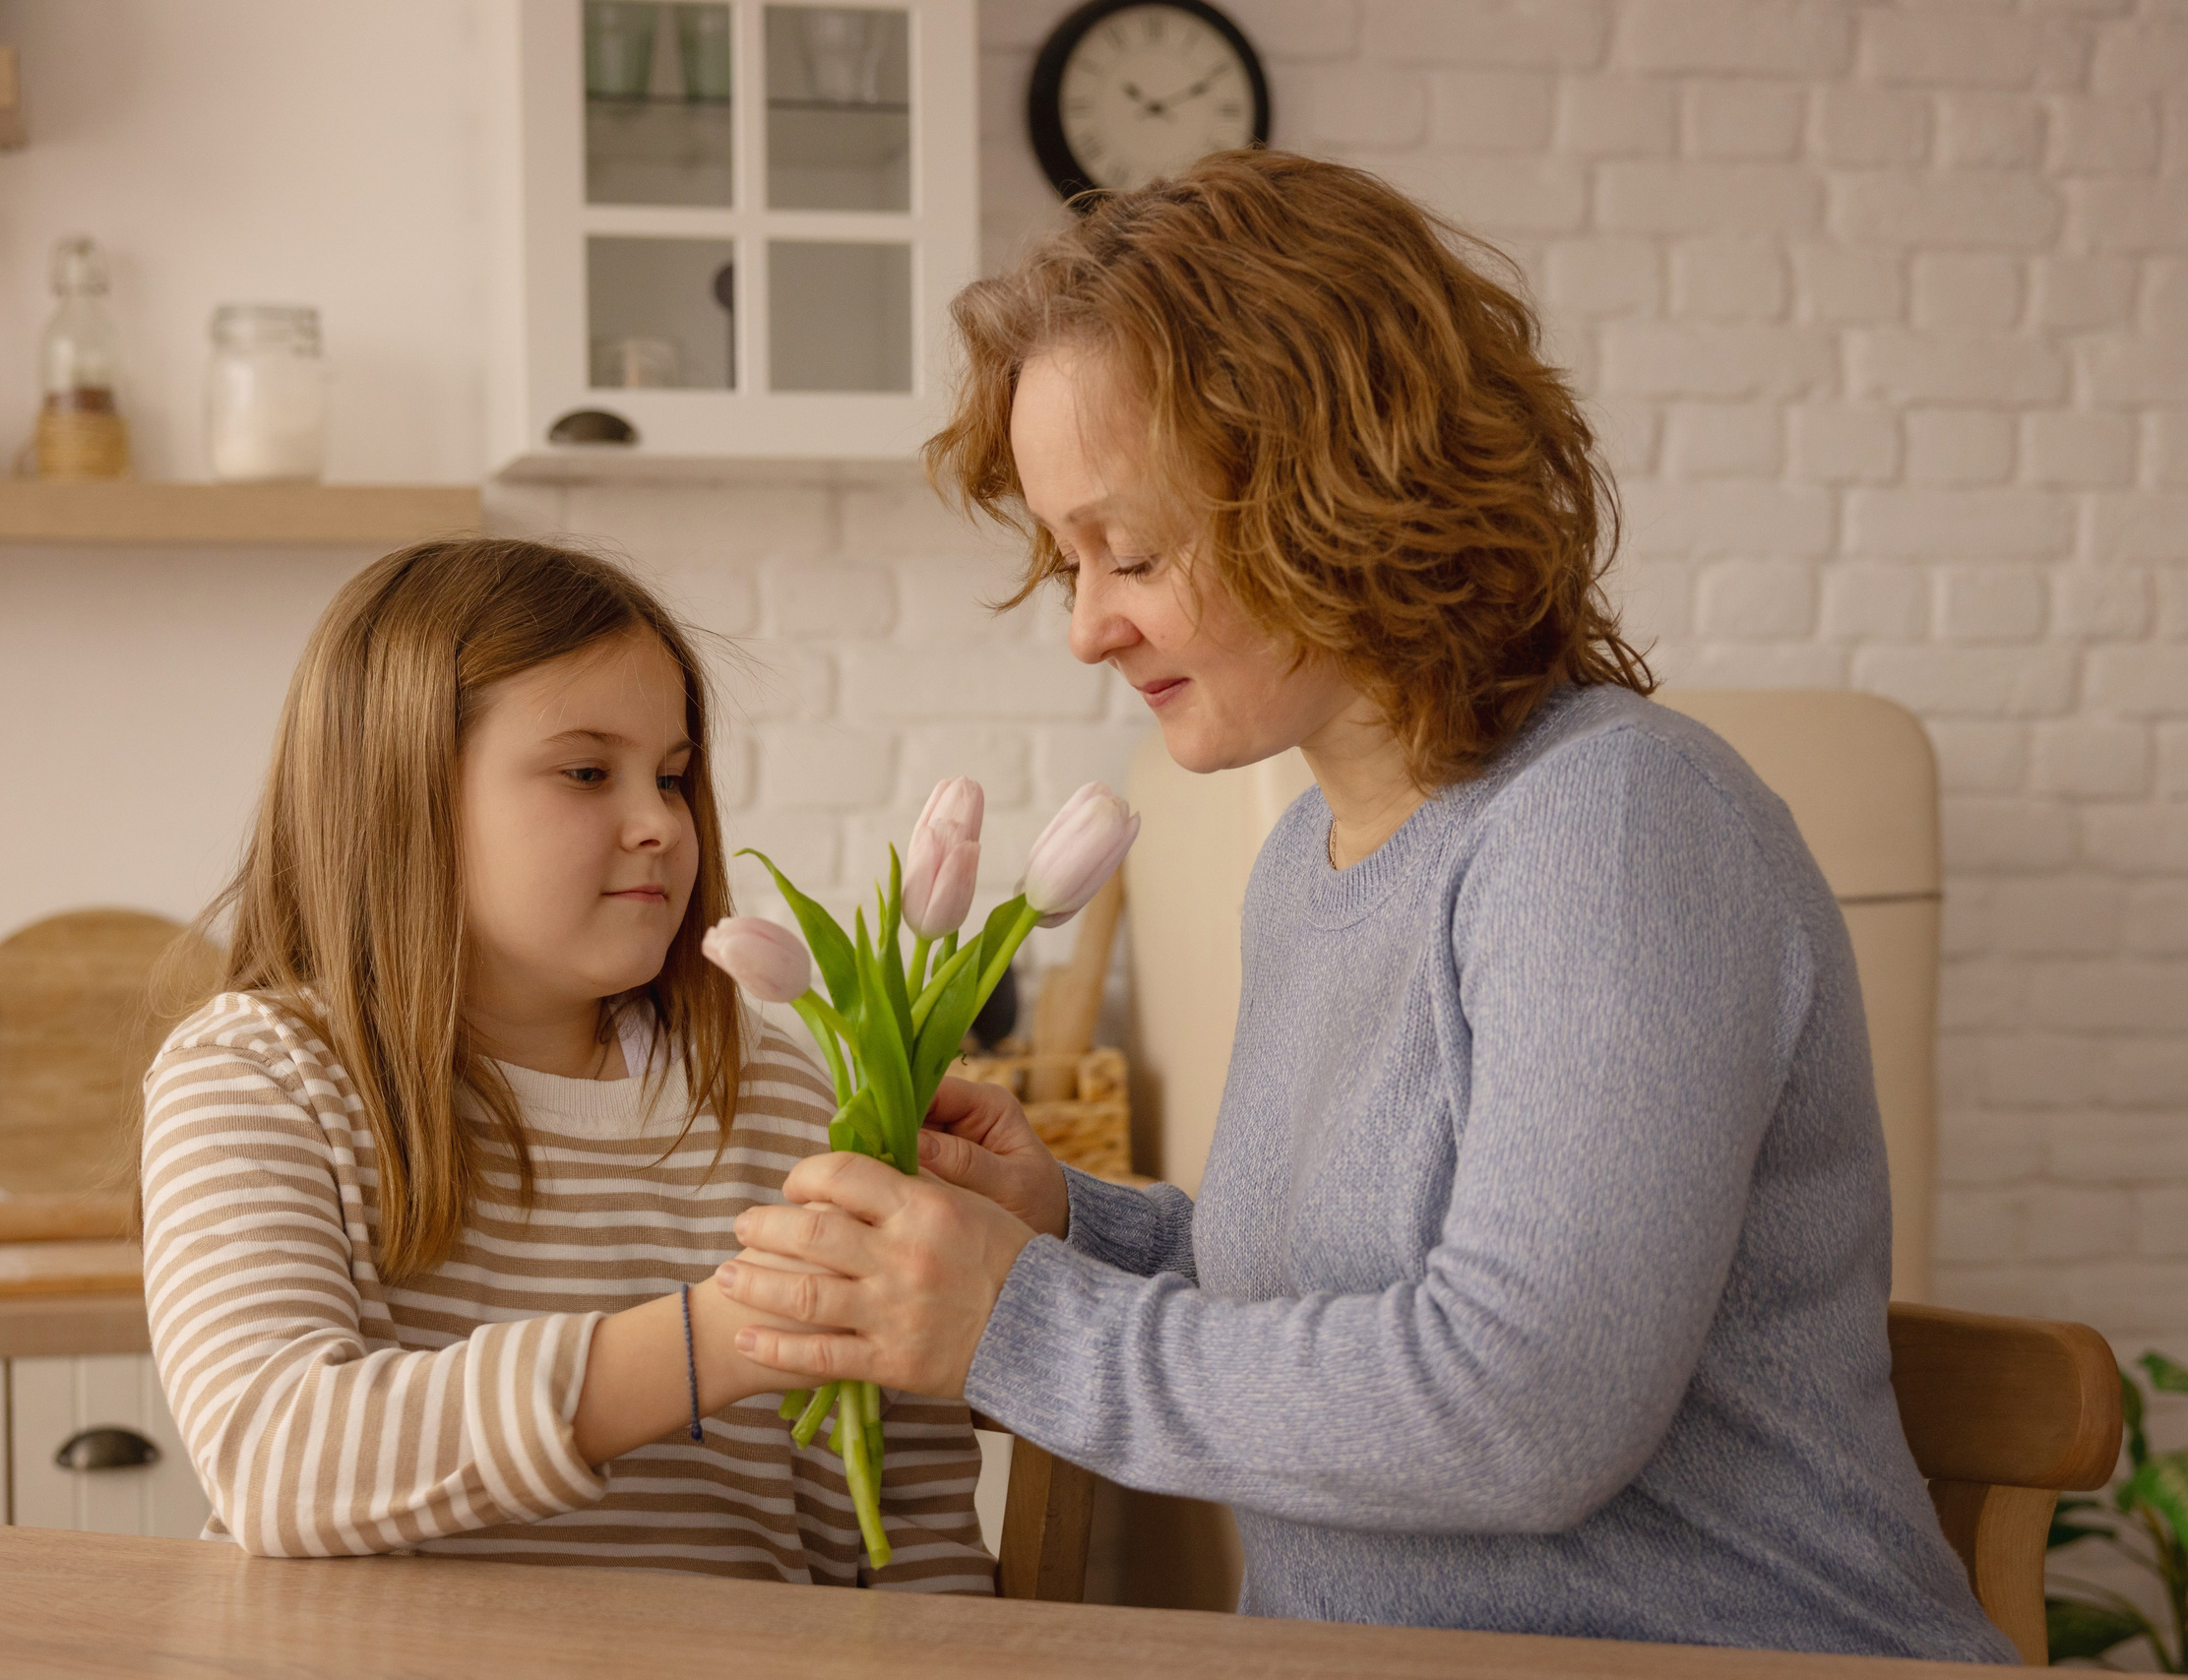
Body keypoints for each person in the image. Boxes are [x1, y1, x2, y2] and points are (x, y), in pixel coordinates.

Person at [716, 151, 2014, 1660]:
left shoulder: (1615, 827)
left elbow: (1521, 1405)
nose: (1084, 625)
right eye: (1066, 560)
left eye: (1128, 550)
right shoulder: (1307, 861)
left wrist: (1016, 1322)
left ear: (1336, 484)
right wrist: (1072, 1224)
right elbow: (1349, 1297)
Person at [139, 538, 989, 1589]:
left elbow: (911, 1532)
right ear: (401, 795)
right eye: (587, 772)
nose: (659, 826)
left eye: (672, 778)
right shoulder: (257, 1080)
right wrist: (713, 1340)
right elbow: (277, 1457)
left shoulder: (783, 1098)